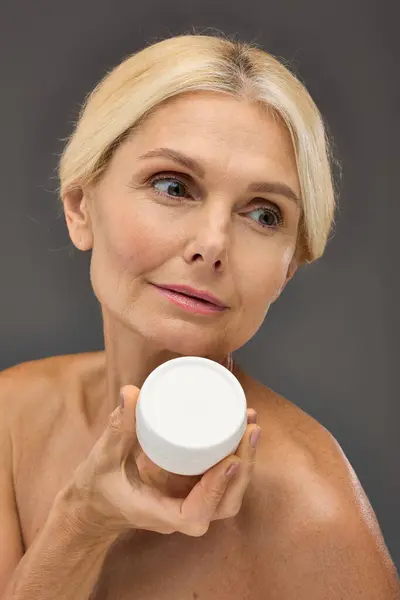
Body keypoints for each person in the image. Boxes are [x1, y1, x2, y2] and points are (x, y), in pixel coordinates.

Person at [0, 32, 398, 600]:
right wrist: (81, 524)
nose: (212, 244)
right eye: (173, 186)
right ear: (80, 207)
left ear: (287, 269)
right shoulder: (11, 418)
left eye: (263, 215)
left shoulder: (313, 511)